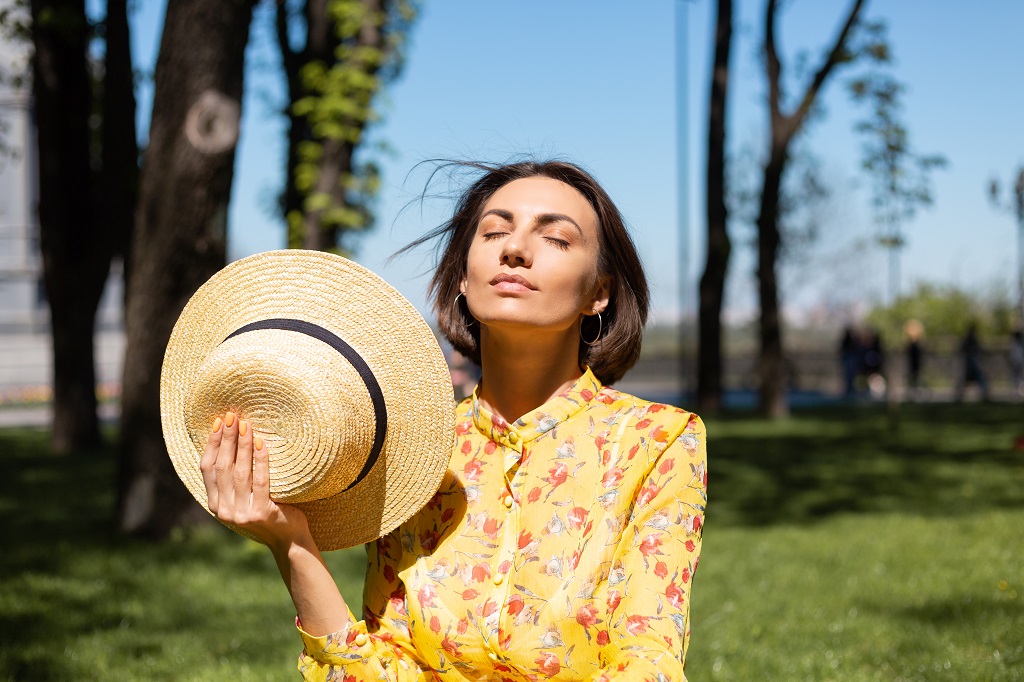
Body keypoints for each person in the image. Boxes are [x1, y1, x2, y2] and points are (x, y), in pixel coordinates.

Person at [199, 160, 708, 681]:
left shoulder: (657, 443)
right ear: (463, 277)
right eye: (494, 232)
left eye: (555, 238)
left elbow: (649, 665)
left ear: (598, 293)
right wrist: (293, 545)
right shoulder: (411, 450)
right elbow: (380, 670)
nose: (514, 249)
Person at [955, 323, 989, 401]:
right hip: (970, 362)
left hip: (972, 362)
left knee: (974, 378)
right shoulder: (969, 340)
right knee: (970, 378)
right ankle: (958, 395)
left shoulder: (972, 340)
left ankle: (984, 393)